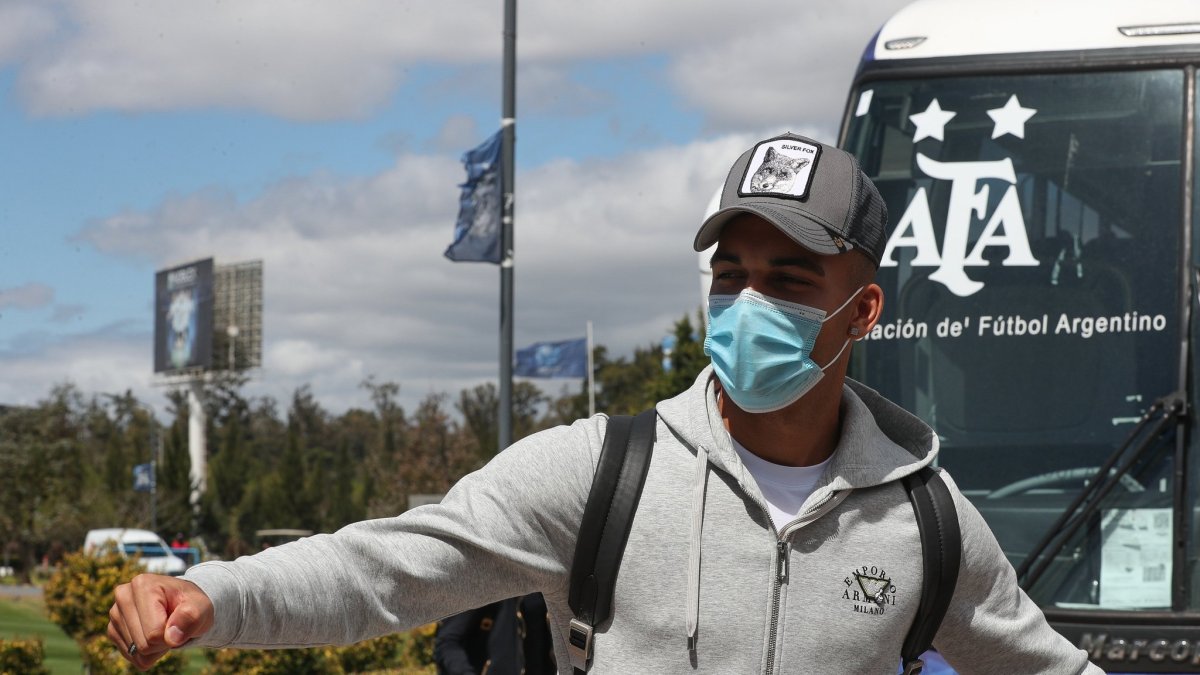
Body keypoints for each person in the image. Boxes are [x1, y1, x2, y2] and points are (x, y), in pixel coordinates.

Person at [107, 133, 1104, 674]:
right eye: (732, 274)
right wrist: (217, 596)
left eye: (791, 280)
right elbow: (385, 569)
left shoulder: (924, 517)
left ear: (863, 309)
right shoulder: (598, 474)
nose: (749, 304)